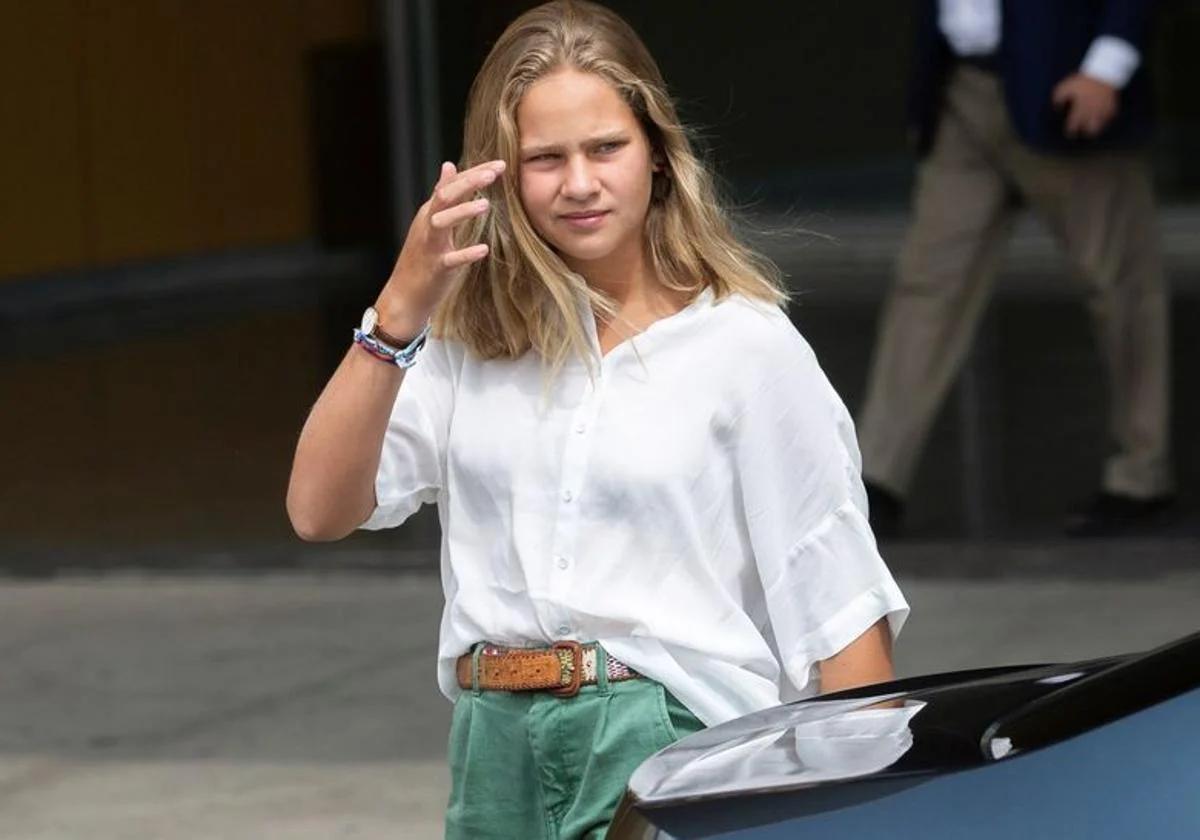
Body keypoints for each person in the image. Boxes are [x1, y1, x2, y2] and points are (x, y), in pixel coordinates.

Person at [286, 2, 908, 837]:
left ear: (657, 152)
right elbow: (319, 509)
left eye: (605, 148)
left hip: (671, 739)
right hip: (493, 745)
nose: (579, 183)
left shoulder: (746, 346)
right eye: (545, 158)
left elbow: (841, 614)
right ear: (502, 174)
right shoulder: (466, 340)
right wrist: (399, 310)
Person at [857, 0, 1174, 538]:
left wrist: (1107, 67)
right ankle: (876, 479)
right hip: (961, 90)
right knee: (926, 284)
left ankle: (1141, 475)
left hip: (1066, 87)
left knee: (1121, 287)